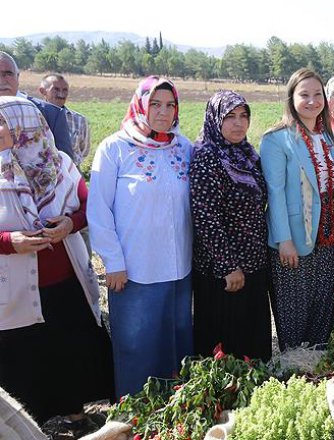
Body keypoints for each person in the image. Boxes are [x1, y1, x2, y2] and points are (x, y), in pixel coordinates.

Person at [0, 97, 113, 430]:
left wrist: (69, 224)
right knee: (23, 357)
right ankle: (28, 428)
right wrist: (10, 242)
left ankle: (76, 417)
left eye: (3, 121)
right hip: (16, 288)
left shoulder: (59, 165)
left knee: (69, 349)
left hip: (64, 279)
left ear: (26, 125)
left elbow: (89, 206)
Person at [88, 76, 194, 398]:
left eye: (170, 105)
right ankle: (135, 413)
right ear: (140, 105)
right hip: (135, 270)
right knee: (137, 347)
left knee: (175, 343)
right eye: (155, 104)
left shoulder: (183, 147)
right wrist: (113, 262)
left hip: (178, 269)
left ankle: (174, 412)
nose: (163, 112)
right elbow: (99, 210)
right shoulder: (115, 148)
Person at [261, 68, 334, 349]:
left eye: (317, 94)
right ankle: (294, 366)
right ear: (292, 98)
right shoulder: (277, 139)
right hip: (294, 239)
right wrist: (283, 240)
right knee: (294, 313)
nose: (312, 101)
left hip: (328, 237)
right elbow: (275, 193)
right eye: (304, 95)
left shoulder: (328, 136)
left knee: (324, 309)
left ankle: (319, 366)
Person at [190, 91, 272, 361]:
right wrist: (228, 266)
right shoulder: (207, 158)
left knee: (253, 347)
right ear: (215, 119)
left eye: (243, 116)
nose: (238, 123)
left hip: (253, 264)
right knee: (226, 352)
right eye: (230, 117)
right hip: (223, 274)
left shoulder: (247, 155)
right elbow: (206, 217)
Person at [0, 51, 74, 159]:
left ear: (17, 77)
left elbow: (65, 164)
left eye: (8, 74)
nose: (1, 80)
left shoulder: (51, 114)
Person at [38, 73, 90, 167]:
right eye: (56, 89)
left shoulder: (79, 120)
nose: (61, 94)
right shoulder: (33, 117)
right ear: (43, 91)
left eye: (65, 90)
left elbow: (84, 151)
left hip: (71, 171)